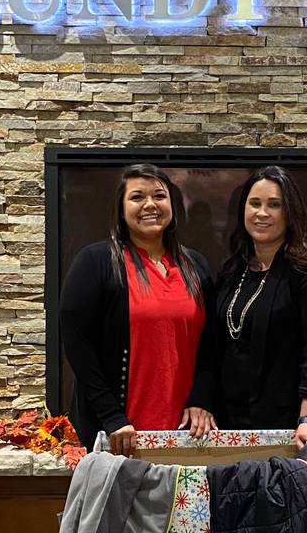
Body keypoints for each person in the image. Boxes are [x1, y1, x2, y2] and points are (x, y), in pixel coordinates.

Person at [60, 164, 217, 455]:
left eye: (159, 196)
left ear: (172, 204)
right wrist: (111, 416)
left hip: (186, 436)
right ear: (121, 209)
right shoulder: (96, 261)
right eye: (137, 197)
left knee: (181, 502)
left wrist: (201, 399)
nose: (150, 205)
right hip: (120, 434)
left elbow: (211, 344)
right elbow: (77, 344)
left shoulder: (196, 266)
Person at [215, 166, 307, 449]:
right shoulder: (232, 273)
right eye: (255, 203)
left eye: (274, 205)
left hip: (290, 429)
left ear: (291, 213)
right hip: (231, 427)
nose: (262, 213)